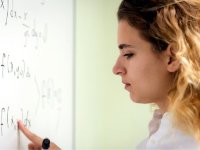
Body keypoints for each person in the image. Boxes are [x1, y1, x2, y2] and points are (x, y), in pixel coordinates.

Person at [18, 0, 200, 149]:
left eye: (128, 54)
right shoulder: (165, 132)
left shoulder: (186, 141)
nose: (116, 68)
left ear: (172, 57)